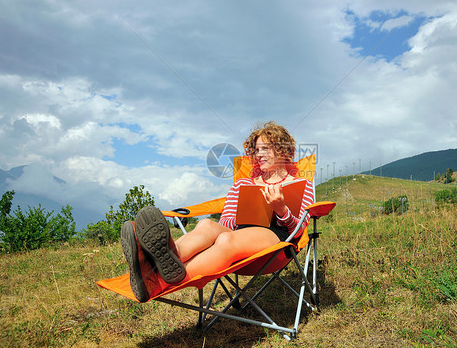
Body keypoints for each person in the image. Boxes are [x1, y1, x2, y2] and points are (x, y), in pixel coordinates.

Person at [121, 121, 315, 302]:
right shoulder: (243, 185)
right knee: (206, 224)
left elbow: (298, 231)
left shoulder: (299, 185)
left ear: (283, 150)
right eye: (256, 150)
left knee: (226, 240)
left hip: (277, 243)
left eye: (266, 148)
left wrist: (281, 210)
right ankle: (157, 261)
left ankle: (157, 283)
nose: (259, 154)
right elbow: (227, 222)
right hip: (239, 235)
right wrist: (243, 211)